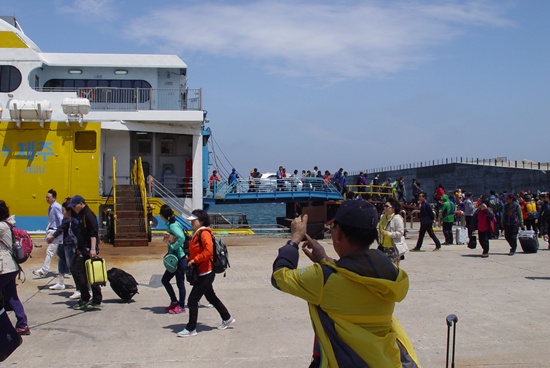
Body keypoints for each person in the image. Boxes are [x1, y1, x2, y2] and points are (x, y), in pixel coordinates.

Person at [271, 200, 420, 367]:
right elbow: (354, 274)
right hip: (385, 361)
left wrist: (295, 239)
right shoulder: (391, 273)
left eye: (333, 227)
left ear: (339, 233)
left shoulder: (324, 279)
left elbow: (279, 277)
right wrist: (324, 260)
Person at [177, 209, 235, 337]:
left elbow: (208, 252)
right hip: (202, 271)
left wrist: (194, 260)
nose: (191, 223)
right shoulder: (197, 233)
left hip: (206, 272)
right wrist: (190, 257)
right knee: (211, 297)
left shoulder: (204, 233)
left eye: (194, 221)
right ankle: (227, 318)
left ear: (201, 221)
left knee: (192, 300)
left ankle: (191, 328)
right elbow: (198, 250)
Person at [0, 200, 30, 335]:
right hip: (11, 267)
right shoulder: (7, 224)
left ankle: (5, 326)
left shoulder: (1, 226)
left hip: (3, 267)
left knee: (11, 296)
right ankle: (22, 324)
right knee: (12, 296)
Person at [68, 195, 102, 309]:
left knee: (80, 271)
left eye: (74, 206)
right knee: (87, 272)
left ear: (80, 204)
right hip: (81, 248)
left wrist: (92, 249)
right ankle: (96, 298)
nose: (73, 209)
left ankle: (86, 297)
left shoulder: (88, 215)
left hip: (87, 249)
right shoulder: (81, 214)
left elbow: (93, 234)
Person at [46, 198, 79, 295]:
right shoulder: (67, 219)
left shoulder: (69, 220)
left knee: (71, 265)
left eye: (63, 209)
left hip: (69, 243)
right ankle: (61, 282)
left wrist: (52, 237)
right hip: (64, 242)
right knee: (61, 259)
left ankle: (79, 288)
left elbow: (60, 229)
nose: (62, 211)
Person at [159, 204, 187, 314]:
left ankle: (181, 306)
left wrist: (172, 247)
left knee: (180, 283)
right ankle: (174, 301)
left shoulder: (172, 226)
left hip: (179, 258)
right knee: (165, 280)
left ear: (162, 215)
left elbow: (181, 237)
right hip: (175, 258)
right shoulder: (171, 224)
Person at [33, 189, 63, 278]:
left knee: (50, 251)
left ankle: (44, 270)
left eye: (48, 197)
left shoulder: (56, 207)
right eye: (46, 197)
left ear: (54, 198)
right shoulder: (51, 207)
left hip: (56, 232)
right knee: (61, 252)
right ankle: (70, 268)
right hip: (54, 231)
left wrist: (57, 233)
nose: (47, 199)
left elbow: (61, 220)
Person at [378, 197, 405, 264]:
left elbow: (400, 232)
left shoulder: (397, 218)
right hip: (383, 246)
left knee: (392, 268)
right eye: (384, 206)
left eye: (387, 206)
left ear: (393, 208)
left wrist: (389, 234)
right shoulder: (383, 217)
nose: (385, 208)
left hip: (393, 247)